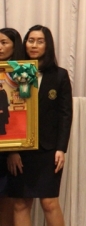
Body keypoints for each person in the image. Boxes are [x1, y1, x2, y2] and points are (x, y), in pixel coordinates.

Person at [7, 25, 73, 226]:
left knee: (49, 203)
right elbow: (10, 113)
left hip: (48, 149)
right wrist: (12, 150)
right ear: (24, 43)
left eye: (40, 41)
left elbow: (65, 115)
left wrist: (61, 148)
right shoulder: (14, 73)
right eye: (30, 40)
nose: (34, 45)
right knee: (20, 203)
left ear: (48, 45)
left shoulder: (60, 75)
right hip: (21, 150)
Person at [0, 28, 26, 226]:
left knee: (6, 198)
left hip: (9, 145)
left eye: (4, 43)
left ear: (15, 45)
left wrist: (13, 150)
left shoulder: (22, 73)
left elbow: (23, 113)